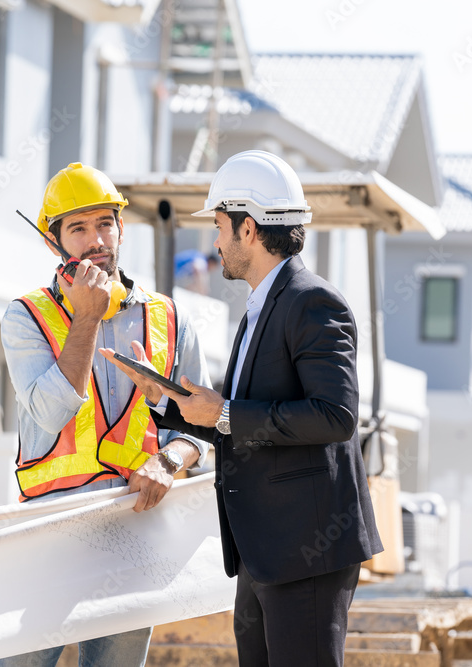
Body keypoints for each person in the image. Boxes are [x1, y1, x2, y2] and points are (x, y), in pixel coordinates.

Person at [111, 150, 383, 666]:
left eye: (218, 226)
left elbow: (335, 415)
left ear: (249, 229)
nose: (214, 242)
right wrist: (163, 401)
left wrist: (226, 414)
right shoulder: (263, 306)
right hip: (265, 552)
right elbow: (242, 423)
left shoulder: (313, 302)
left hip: (305, 552)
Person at [0, 162, 211, 667]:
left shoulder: (170, 318)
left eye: (105, 223)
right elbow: (50, 412)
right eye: (78, 228)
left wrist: (169, 460)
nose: (96, 239)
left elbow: (201, 428)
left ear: (120, 227)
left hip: (133, 533)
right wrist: (88, 316)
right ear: (54, 244)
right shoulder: (26, 316)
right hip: (48, 532)